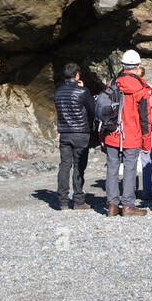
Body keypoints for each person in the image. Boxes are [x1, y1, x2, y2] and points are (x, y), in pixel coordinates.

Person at [101, 50, 152, 217]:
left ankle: (112, 205)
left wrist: (101, 136)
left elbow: (103, 110)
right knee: (130, 168)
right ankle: (128, 205)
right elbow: (145, 118)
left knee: (112, 167)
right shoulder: (141, 88)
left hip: (112, 132)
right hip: (132, 134)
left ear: (123, 65)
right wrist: (146, 143)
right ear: (137, 66)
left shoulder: (112, 83)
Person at [53, 63, 94, 210]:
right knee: (79, 167)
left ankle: (63, 202)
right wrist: (82, 88)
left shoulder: (58, 92)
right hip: (81, 132)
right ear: (77, 75)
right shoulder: (82, 92)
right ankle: (78, 200)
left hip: (64, 133)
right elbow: (92, 109)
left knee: (64, 166)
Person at [134, 64, 152, 200]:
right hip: (150, 128)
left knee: (131, 159)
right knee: (147, 159)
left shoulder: (126, 87)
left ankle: (131, 190)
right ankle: (147, 191)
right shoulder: (149, 88)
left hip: (133, 128)